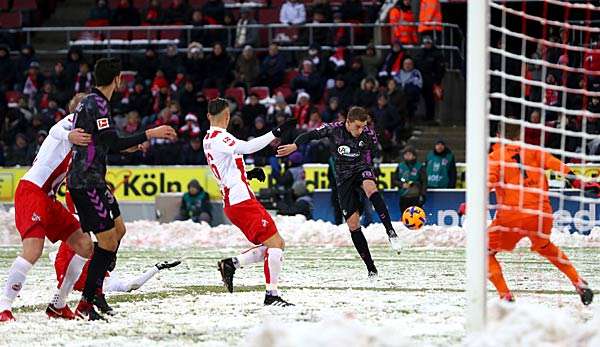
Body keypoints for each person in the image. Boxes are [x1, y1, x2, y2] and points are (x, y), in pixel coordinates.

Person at [67, 58, 177, 320]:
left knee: (116, 233)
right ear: (117, 78)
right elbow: (112, 143)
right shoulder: (98, 104)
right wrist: (150, 133)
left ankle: (95, 294)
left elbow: (103, 143)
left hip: (94, 179)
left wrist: (131, 145)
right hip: (86, 181)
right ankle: (87, 301)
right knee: (108, 241)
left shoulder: (91, 102)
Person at [0, 94, 94, 322]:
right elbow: (55, 131)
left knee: (84, 245)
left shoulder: (87, 136)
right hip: (32, 191)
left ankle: (58, 304)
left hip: (49, 198)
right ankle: (3, 307)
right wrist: (69, 134)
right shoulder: (70, 124)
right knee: (33, 250)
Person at [277, 106, 402, 277]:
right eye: (357, 126)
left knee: (370, 187)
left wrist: (369, 172)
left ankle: (391, 232)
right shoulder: (333, 129)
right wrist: (295, 145)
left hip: (361, 168)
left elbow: (369, 158)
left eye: (363, 126)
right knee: (353, 224)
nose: (361, 130)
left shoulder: (368, 134)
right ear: (348, 122)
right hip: (343, 179)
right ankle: (371, 268)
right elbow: (310, 135)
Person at [484, 123, 594, 304]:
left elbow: (487, 184)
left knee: (483, 251)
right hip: (541, 214)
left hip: (512, 216)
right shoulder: (535, 151)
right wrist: (580, 184)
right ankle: (578, 281)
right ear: (521, 133)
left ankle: (505, 295)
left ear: (497, 135)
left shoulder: (495, 157)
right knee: (546, 247)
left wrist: (469, 204)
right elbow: (559, 166)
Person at [204, 98, 297, 306]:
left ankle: (232, 264)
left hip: (235, 200)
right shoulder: (221, 137)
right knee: (275, 244)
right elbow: (248, 147)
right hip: (241, 201)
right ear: (227, 116)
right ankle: (271, 295)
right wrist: (277, 132)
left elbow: (227, 164)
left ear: (208, 116)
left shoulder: (208, 139)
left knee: (276, 243)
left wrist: (247, 173)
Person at [51, 242, 180, 295]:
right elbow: (133, 285)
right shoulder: (110, 283)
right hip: (71, 275)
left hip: (69, 272)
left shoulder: (107, 279)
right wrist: (157, 268)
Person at [393, 146, 427, 215]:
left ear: (414, 156)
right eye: (406, 154)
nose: (407, 156)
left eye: (409, 154)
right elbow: (394, 180)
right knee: (405, 216)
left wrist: (423, 194)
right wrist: (401, 184)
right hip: (403, 196)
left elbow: (424, 181)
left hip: (416, 197)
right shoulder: (400, 166)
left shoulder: (420, 166)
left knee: (416, 216)